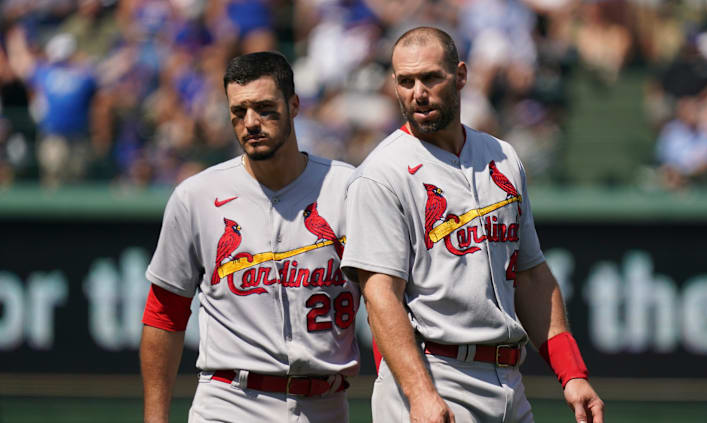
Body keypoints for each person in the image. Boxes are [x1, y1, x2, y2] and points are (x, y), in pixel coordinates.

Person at [340, 27, 604, 423]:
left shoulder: (501, 156)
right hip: (435, 375)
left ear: (460, 76)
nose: (418, 92)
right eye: (406, 81)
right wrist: (420, 394)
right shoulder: (381, 174)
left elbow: (531, 275)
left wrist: (572, 374)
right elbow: (381, 298)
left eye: (431, 77)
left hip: (509, 381)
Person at [139, 52, 359, 423]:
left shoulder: (349, 187)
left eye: (264, 108)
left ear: (293, 105)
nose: (251, 122)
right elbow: (164, 313)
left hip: (325, 404)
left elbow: (386, 302)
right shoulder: (198, 195)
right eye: (239, 112)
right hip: (230, 401)